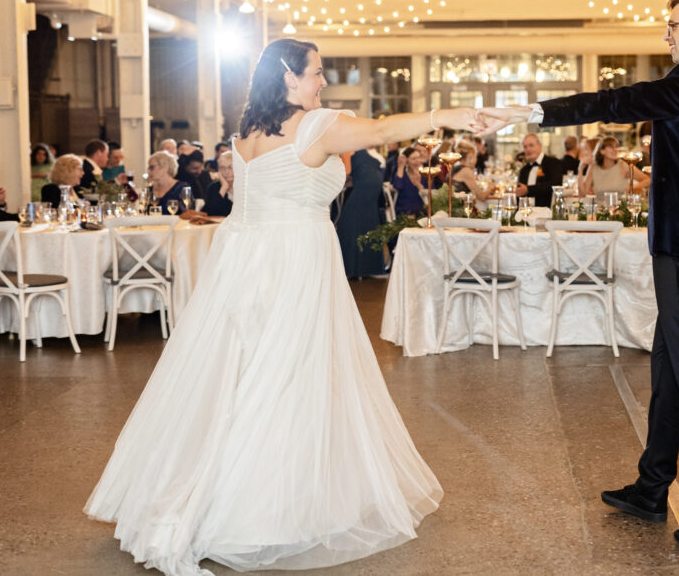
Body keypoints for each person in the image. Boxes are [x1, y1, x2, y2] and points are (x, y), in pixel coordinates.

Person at [85, 38, 483, 574]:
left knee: (245, 377)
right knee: (287, 379)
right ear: (289, 79)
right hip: (296, 263)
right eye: (316, 73)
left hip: (247, 265)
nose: (323, 82)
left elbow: (250, 207)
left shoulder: (245, 135)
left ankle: (234, 491)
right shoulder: (314, 126)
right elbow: (385, 130)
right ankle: (256, 508)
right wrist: (450, 114)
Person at [482, 0, 679, 546]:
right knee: (671, 368)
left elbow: (617, 101)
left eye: (673, 26)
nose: (667, 35)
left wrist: (537, 112)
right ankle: (652, 485)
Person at [337, 149, 387, 278]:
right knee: (354, 232)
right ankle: (352, 269)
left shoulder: (370, 150)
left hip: (371, 202)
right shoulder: (348, 149)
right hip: (358, 200)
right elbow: (346, 173)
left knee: (369, 230)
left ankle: (369, 269)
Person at [581, 136, 649, 195]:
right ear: (602, 151)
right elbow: (583, 193)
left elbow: (648, 180)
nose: (615, 150)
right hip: (600, 209)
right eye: (611, 147)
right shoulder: (593, 167)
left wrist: (633, 187)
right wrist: (580, 169)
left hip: (619, 208)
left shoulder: (623, 165)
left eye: (616, 147)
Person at [515, 133, 563, 207]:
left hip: (547, 212)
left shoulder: (553, 163)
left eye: (531, 145)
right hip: (526, 212)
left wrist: (528, 189)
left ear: (540, 145)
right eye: (525, 147)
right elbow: (520, 193)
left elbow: (556, 184)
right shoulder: (524, 170)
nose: (528, 149)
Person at [145, 150, 191, 214]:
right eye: (148, 168)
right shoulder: (149, 190)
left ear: (165, 167)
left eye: (152, 167)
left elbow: (188, 213)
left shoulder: (181, 188)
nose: (149, 172)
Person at [390, 146, 427, 216]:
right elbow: (398, 187)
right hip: (405, 215)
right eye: (413, 159)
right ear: (406, 162)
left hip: (423, 214)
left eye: (418, 157)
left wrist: (418, 185)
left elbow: (431, 195)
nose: (417, 161)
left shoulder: (425, 175)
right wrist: (400, 167)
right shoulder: (402, 175)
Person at [202, 151, 234, 217]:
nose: (226, 172)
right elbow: (209, 214)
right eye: (222, 168)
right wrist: (223, 188)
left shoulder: (246, 186)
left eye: (230, 167)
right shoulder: (213, 187)